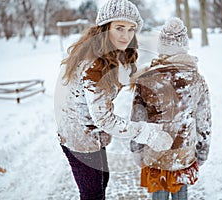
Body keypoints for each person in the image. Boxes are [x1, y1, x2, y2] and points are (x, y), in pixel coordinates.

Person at [53, 0, 173, 199]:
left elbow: (119, 78)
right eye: (119, 28)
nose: (126, 35)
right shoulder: (94, 64)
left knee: (102, 182)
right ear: (105, 27)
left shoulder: (110, 52)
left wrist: (150, 72)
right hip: (79, 137)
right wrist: (147, 133)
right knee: (93, 193)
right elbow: (104, 119)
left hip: (91, 131)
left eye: (131, 29)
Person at [130, 17, 212, 200]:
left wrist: (137, 149)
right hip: (183, 155)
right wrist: (202, 152)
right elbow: (204, 123)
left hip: (155, 155)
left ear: (162, 46)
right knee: (180, 194)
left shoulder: (146, 79)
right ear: (184, 45)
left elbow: (137, 120)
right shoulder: (197, 80)